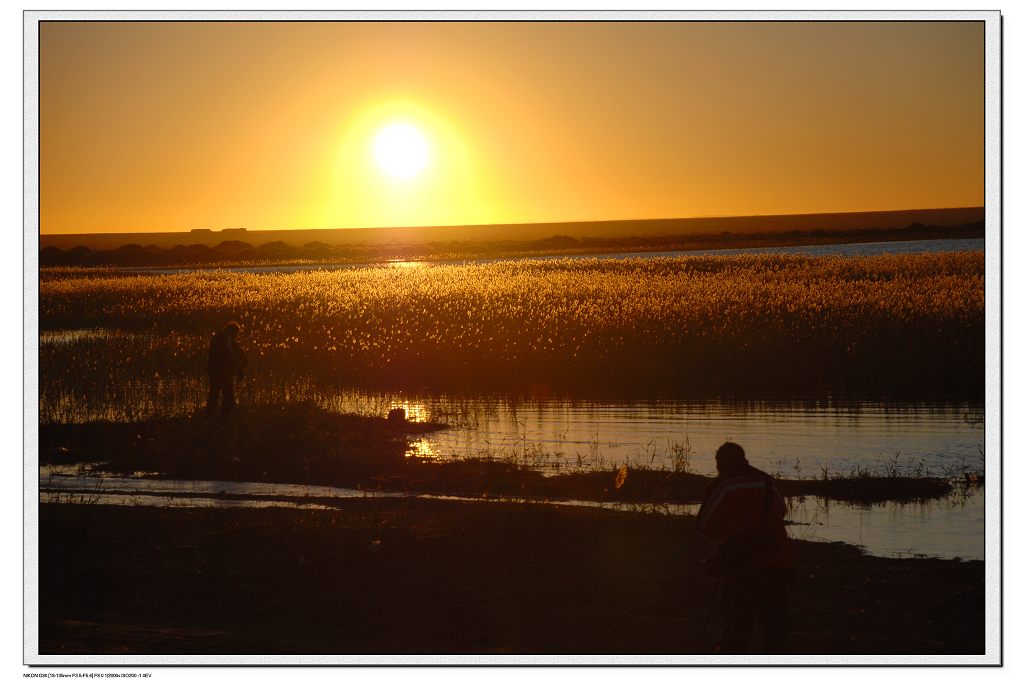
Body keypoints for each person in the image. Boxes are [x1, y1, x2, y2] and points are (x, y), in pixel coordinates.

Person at [696, 441, 793, 653]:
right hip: (776, 564)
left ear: (719, 465)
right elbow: (781, 512)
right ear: (744, 459)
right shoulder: (769, 484)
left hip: (739, 569)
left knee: (736, 632)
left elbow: (705, 526)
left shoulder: (722, 487)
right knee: (776, 633)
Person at [206, 321, 248, 419]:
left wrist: (238, 369)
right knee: (228, 399)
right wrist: (239, 370)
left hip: (216, 373)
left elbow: (215, 356)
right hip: (223, 374)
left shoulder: (218, 338)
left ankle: (210, 418)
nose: (235, 336)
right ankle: (222, 419)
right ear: (232, 332)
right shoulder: (227, 341)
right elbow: (230, 357)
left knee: (214, 396)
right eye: (235, 334)